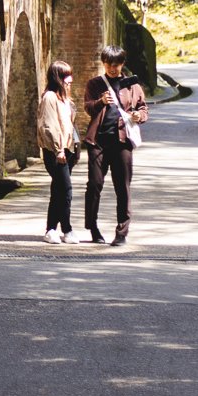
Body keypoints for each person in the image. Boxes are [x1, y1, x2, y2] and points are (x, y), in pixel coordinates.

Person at [82, 45, 148, 247]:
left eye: (117, 64)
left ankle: (122, 232)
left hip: (122, 143)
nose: (113, 68)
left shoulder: (132, 85)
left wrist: (139, 116)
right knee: (94, 185)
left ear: (122, 64)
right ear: (103, 63)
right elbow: (88, 107)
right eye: (109, 64)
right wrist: (101, 101)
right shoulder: (95, 84)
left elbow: (143, 109)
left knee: (123, 188)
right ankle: (92, 227)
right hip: (98, 142)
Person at [37, 60, 80, 244]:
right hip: (56, 152)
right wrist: (58, 149)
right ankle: (67, 230)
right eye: (65, 76)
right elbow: (49, 126)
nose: (70, 79)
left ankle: (51, 229)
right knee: (66, 190)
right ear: (57, 78)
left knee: (58, 191)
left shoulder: (65, 99)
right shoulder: (50, 98)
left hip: (68, 151)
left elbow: (70, 125)